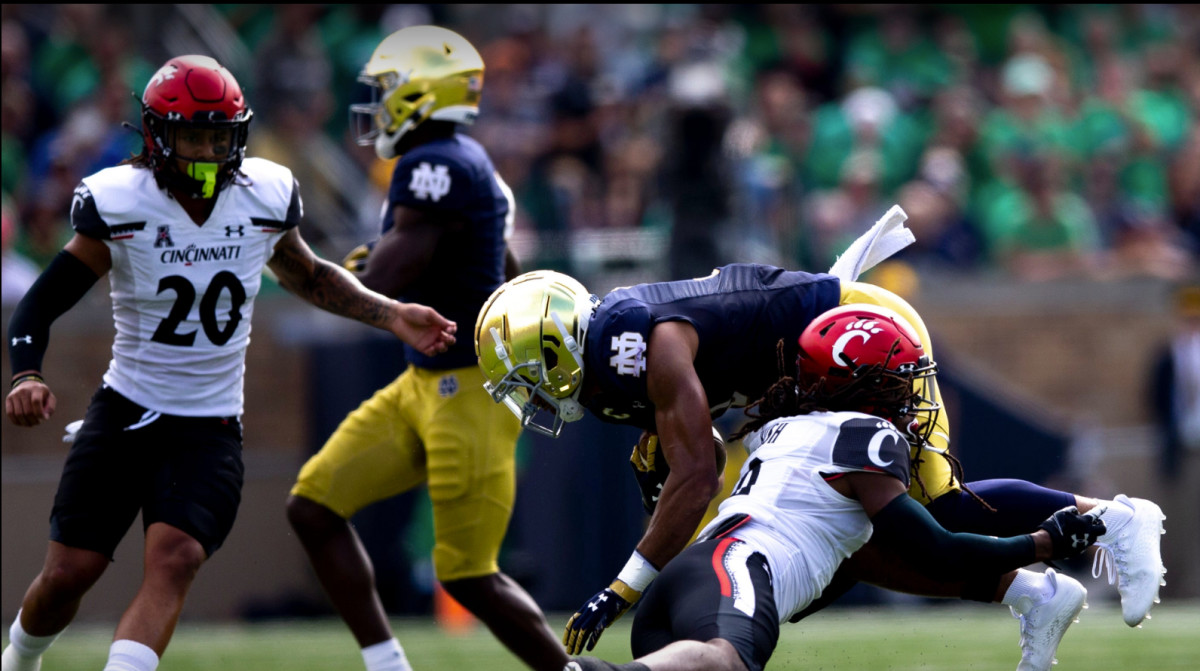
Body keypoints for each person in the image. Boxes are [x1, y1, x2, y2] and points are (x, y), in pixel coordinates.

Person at [1, 55, 456, 671]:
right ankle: (18, 661)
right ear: (159, 137)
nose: (211, 150)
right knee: (67, 574)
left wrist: (391, 313)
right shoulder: (120, 202)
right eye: (194, 135)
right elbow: (41, 302)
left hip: (209, 424)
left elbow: (311, 276)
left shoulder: (262, 195)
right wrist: (27, 371)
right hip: (126, 411)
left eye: (221, 134)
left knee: (178, 556)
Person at [473, 260, 1165, 661]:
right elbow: (702, 452)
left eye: (530, 370)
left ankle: (1114, 519)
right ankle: (1033, 593)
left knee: (941, 505)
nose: (530, 392)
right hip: (801, 377)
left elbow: (695, 475)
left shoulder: (639, 342)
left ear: (560, 344)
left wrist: (621, 586)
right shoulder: (611, 374)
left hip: (846, 336)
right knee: (843, 540)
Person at [567, 303, 1107, 671]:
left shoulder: (787, 431)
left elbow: (857, 561)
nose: (910, 393)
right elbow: (937, 550)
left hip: (692, 579)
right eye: (899, 379)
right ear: (865, 385)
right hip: (737, 570)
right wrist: (1042, 545)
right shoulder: (863, 437)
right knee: (726, 662)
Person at [284, 26, 568, 671]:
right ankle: (388, 664)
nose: (378, 106)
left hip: (466, 390)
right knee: (313, 505)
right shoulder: (467, 161)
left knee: (470, 576)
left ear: (420, 95)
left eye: (387, 91)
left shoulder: (434, 163)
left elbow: (383, 280)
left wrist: (300, 267)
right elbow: (504, 263)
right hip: (425, 382)